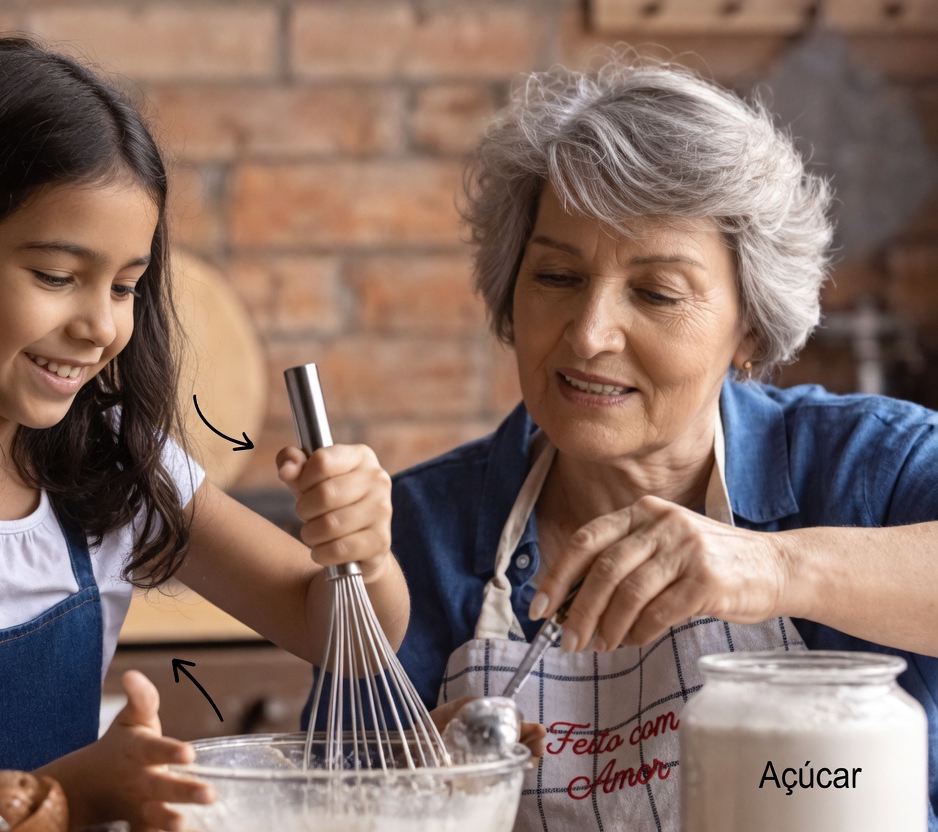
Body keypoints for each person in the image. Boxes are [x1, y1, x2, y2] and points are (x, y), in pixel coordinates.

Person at [0, 36, 408, 832]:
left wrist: (361, 553)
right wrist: (66, 797)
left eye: (126, 286)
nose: (99, 326)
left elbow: (348, 641)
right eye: (56, 276)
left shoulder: (110, 459)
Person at [394, 54, 938, 830]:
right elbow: (325, 794)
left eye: (656, 293)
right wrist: (400, 785)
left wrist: (778, 567)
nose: (588, 335)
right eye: (556, 277)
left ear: (749, 326)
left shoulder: (869, 468)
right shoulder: (418, 531)